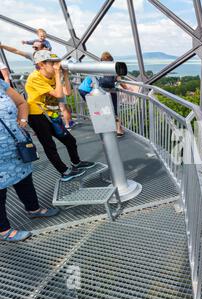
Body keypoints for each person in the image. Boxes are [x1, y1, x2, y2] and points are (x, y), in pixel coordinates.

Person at [0, 79, 59, 242]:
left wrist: (23, 120)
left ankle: (33, 209)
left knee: (24, 178)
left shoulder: (1, 85)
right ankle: (3, 230)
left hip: (14, 145)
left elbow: (21, 103)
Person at [25, 50, 95, 181]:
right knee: (49, 145)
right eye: (52, 63)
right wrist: (58, 73)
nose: (56, 65)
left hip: (51, 114)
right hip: (37, 115)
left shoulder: (53, 75)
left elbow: (67, 92)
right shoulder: (35, 77)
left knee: (70, 140)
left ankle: (76, 162)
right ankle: (64, 172)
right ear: (41, 64)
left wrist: (65, 74)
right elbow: (58, 94)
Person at [98, 52, 128, 137]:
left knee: (104, 110)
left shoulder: (99, 68)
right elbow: (119, 80)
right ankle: (118, 130)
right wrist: (127, 88)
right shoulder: (113, 67)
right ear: (111, 59)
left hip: (102, 92)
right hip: (111, 92)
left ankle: (106, 129)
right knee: (114, 111)